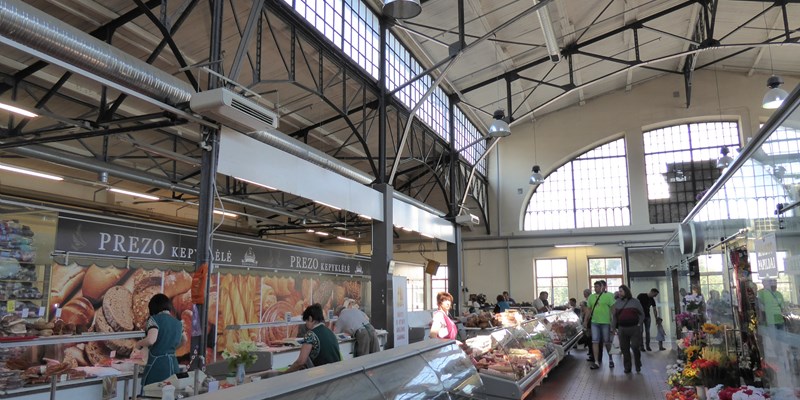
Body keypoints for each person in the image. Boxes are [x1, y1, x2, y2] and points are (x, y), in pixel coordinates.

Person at [136, 293, 184, 387]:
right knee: (171, 393)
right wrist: (171, 347)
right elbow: (184, 340)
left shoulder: (154, 320)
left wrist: (139, 343)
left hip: (158, 366)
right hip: (173, 365)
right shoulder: (178, 323)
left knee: (153, 393)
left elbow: (151, 340)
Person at [285, 304, 341, 372]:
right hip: (337, 373)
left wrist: (286, 373)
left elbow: (300, 362)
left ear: (310, 318)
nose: (306, 324)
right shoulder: (330, 332)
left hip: (323, 375)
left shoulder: (310, 335)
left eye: (306, 321)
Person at [612, 285, 644, 374]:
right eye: (619, 291)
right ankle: (627, 367)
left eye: (621, 291)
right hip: (622, 329)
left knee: (635, 347)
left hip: (634, 328)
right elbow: (614, 316)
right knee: (624, 349)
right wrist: (613, 327)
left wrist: (639, 324)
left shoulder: (635, 302)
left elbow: (642, 314)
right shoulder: (617, 302)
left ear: (626, 291)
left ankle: (638, 364)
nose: (619, 293)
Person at [585, 280, 615, 370]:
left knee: (607, 341)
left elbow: (613, 310)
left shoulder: (609, 296)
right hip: (595, 322)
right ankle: (596, 362)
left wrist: (614, 323)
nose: (595, 288)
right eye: (594, 286)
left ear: (603, 287)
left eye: (597, 286)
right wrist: (586, 321)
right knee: (595, 341)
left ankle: (610, 359)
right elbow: (588, 310)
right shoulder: (591, 297)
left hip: (605, 322)